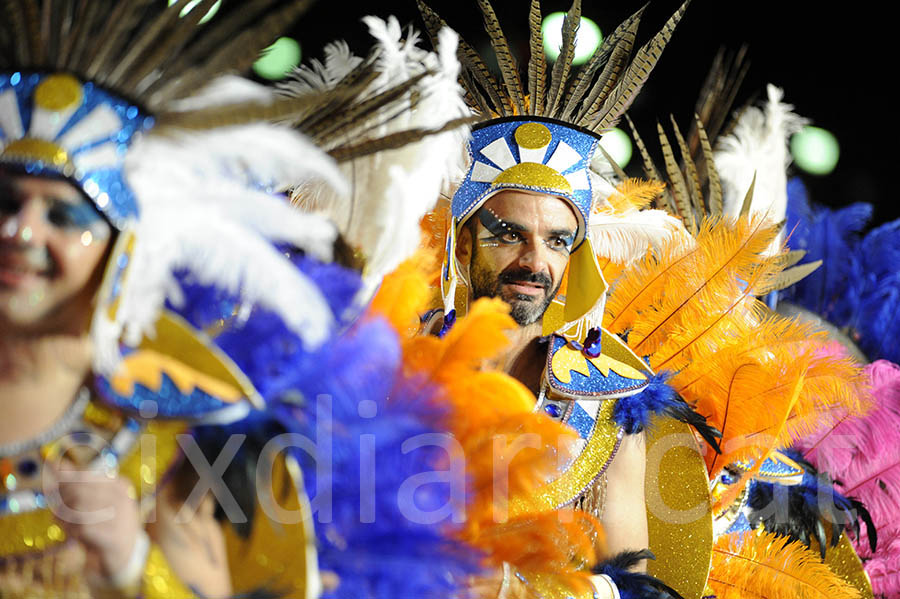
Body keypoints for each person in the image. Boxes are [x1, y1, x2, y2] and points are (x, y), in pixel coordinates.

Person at [416, 1, 720, 597]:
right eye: (508, 234)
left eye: (557, 240)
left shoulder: (605, 408)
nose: (535, 261)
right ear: (463, 241)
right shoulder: (391, 366)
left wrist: (505, 585)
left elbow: (636, 586)